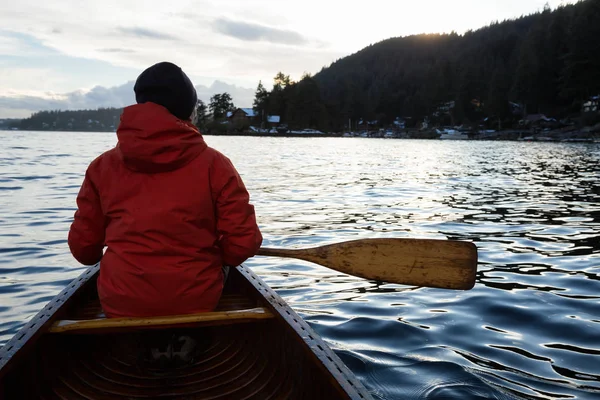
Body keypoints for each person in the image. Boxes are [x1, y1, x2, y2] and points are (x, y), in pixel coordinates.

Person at [68, 61, 263, 320]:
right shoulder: (216, 165)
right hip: (197, 301)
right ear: (188, 111)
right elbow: (243, 242)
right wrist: (215, 255)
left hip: (121, 303)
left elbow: (84, 252)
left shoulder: (101, 167)